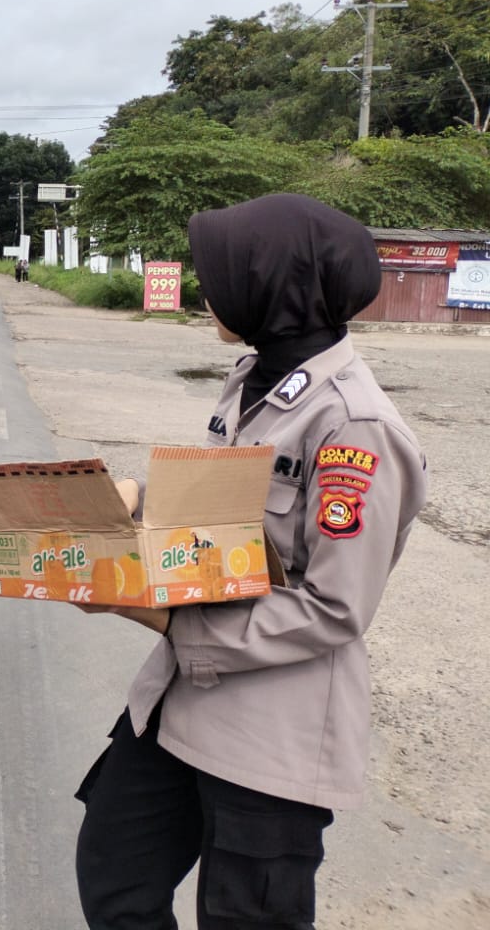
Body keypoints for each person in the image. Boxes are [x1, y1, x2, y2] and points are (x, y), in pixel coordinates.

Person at [74, 194, 427, 930]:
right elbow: (220, 507)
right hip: (176, 704)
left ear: (275, 283)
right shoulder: (255, 378)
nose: (208, 291)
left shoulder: (354, 427)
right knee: (115, 879)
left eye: (224, 274)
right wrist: (136, 499)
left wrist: (164, 618)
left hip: (271, 731)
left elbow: (335, 608)